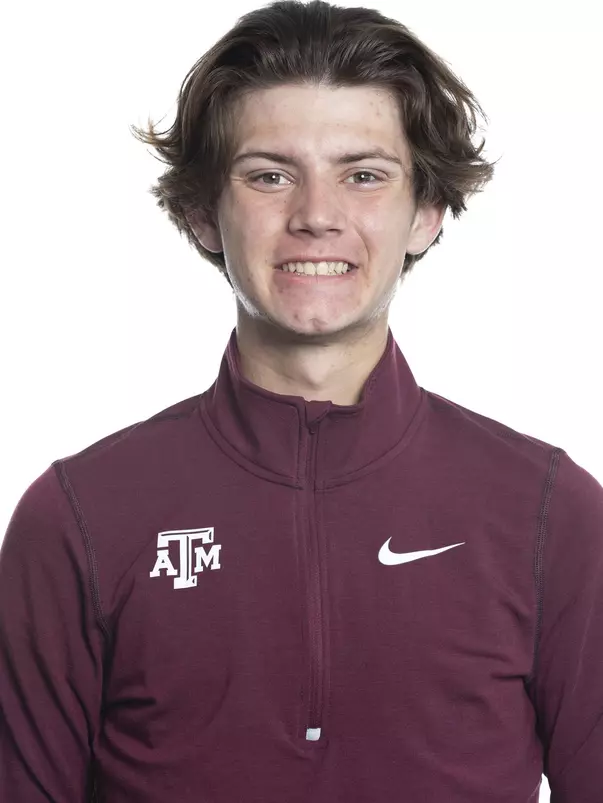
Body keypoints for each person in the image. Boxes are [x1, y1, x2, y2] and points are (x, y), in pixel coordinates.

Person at [1, 1, 601, 800]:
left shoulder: (548, 512)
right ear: (200, 211)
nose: (317, 216)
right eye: (269, 175)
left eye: (363, 175)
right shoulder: (77, 516)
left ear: (424, 213)